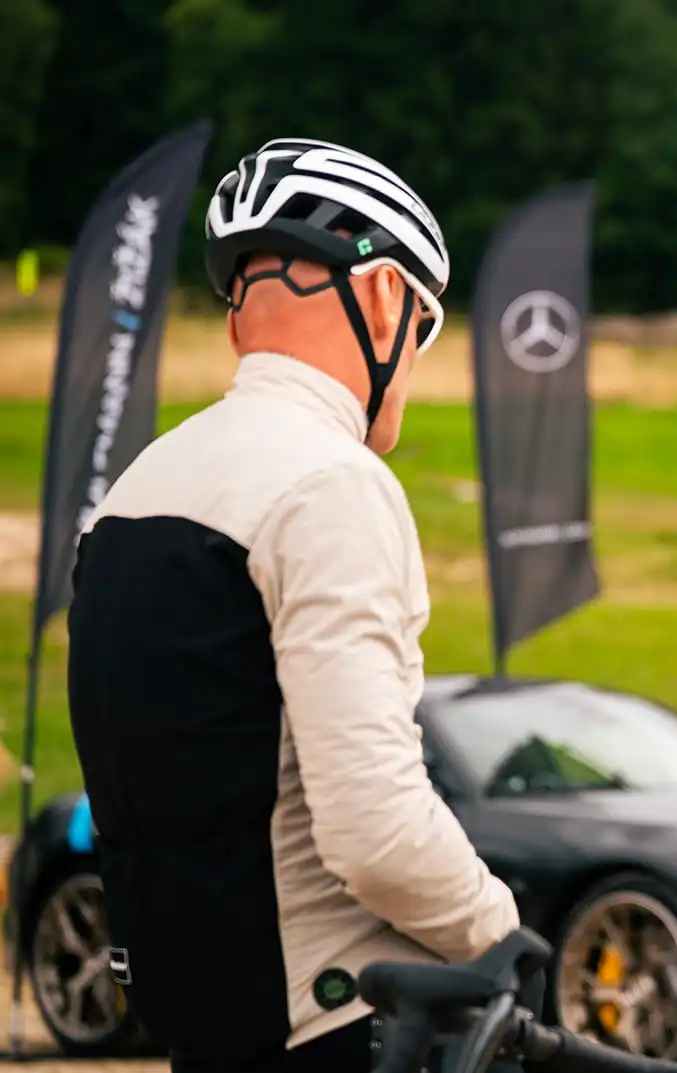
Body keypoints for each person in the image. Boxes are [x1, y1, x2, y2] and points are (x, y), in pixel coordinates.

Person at [66, 138, 520, 1073]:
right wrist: (502, 933)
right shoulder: (329, 484)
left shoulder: (133, 493)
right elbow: (376, 832)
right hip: (338, 1020)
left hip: (201, 1017)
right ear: (385, 298)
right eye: (423, 327)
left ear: (240, 321)